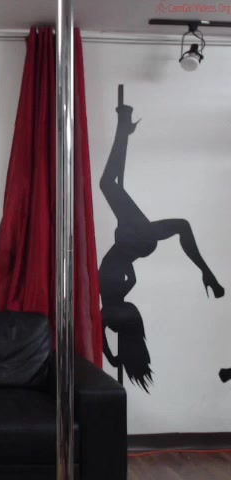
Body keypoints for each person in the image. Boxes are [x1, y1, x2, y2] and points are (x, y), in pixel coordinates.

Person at [99, 103, 224, 392]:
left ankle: (124, 127)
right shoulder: (110, 308)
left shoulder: (121, 307)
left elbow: (131, 282)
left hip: (135, 245)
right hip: (133, 241)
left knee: (113, 186)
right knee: (108, 184)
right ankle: (124, 125)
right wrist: (112, 356)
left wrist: (114, 357)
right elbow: (102, 328)